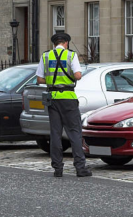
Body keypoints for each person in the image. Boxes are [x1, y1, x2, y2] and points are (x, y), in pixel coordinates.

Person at [36, 32, 92, 178]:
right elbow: (78, 76)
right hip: (68, 97)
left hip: (52, 97)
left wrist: (52, 80)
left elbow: (40, 79)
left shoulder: (46, 56)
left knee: (55, 133)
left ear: (54, 43)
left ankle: (57, 168)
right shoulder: (71, 55)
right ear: (66, 43)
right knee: (74, 132)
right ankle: (80, 168)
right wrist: (69, 77)